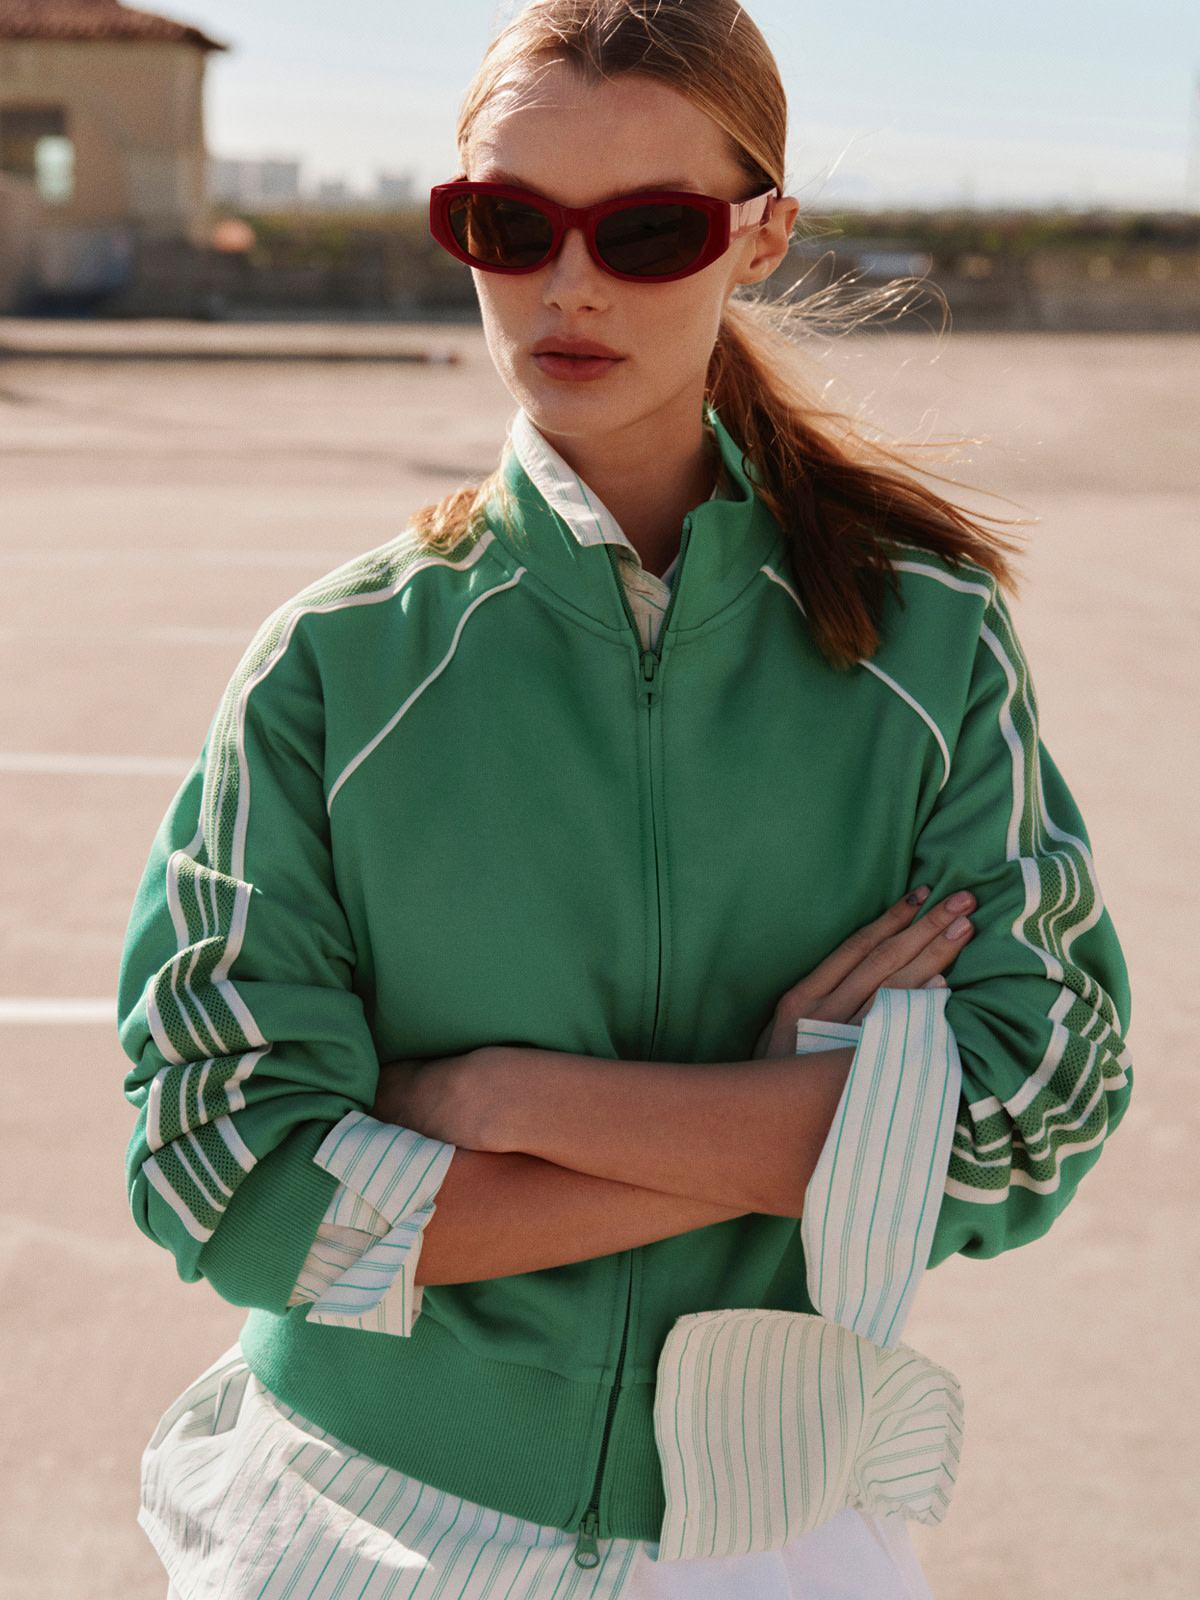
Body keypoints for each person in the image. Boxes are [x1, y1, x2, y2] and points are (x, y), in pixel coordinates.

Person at [119, 3, 1132, 1597]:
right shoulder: (336, 671)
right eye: (508, 223)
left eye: (648, 229)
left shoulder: (928, 650)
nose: (568, 284)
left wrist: (507, 1102)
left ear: (759, 235)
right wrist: (808, 1123)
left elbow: (1030, 1117)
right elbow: (229, 1181)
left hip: (776, 1534)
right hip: (362, 1525)